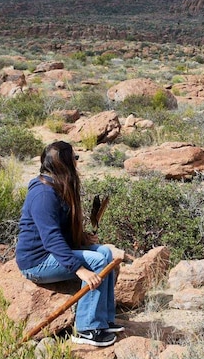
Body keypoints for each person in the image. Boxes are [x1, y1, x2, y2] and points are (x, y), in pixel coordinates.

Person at [16, 140, 125, 348]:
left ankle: (104, 320)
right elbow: (51, 239)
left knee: (104, 252)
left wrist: (83, 238)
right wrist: (79, 269)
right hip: (36, 262)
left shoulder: (57, 187)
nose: (77, 163)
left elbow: (61, 230)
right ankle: (86, 328)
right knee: (96, 262)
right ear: (64, 163)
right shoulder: (43, 193)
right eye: (75, 158)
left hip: (52, 254)